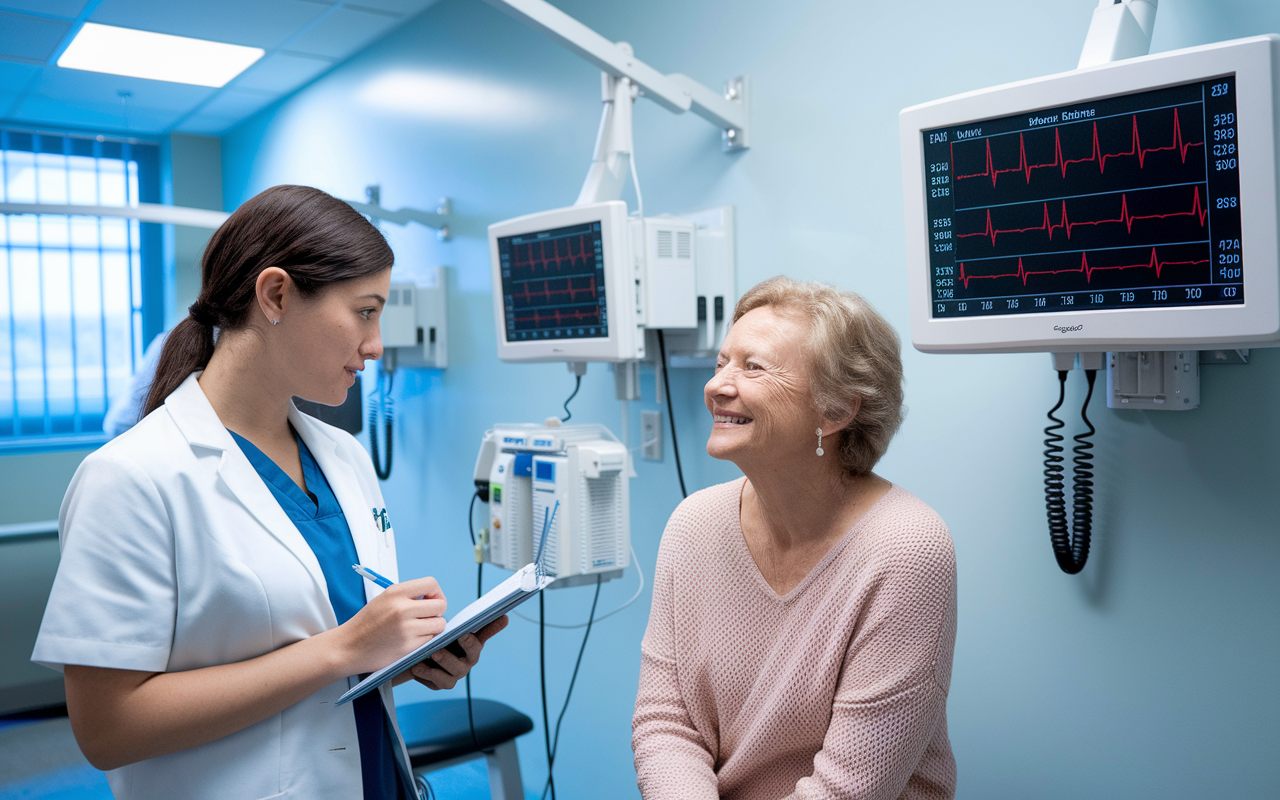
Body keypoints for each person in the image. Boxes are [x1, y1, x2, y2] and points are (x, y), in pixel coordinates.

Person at [32, 185, 506, 800]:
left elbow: (334, 632)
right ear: (276, 295)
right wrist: (343, 649)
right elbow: (108, 729)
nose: (377, 343)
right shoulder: (131, 477)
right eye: (365, 311)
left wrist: (402, 653)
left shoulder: (344, 458)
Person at [632, 276, 957, 800]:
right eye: (721, 363)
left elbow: (850, 789)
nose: (717, 385)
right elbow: (666, 723)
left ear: (836, 410)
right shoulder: (693, 524)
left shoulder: (906, 549)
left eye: (753, 366)